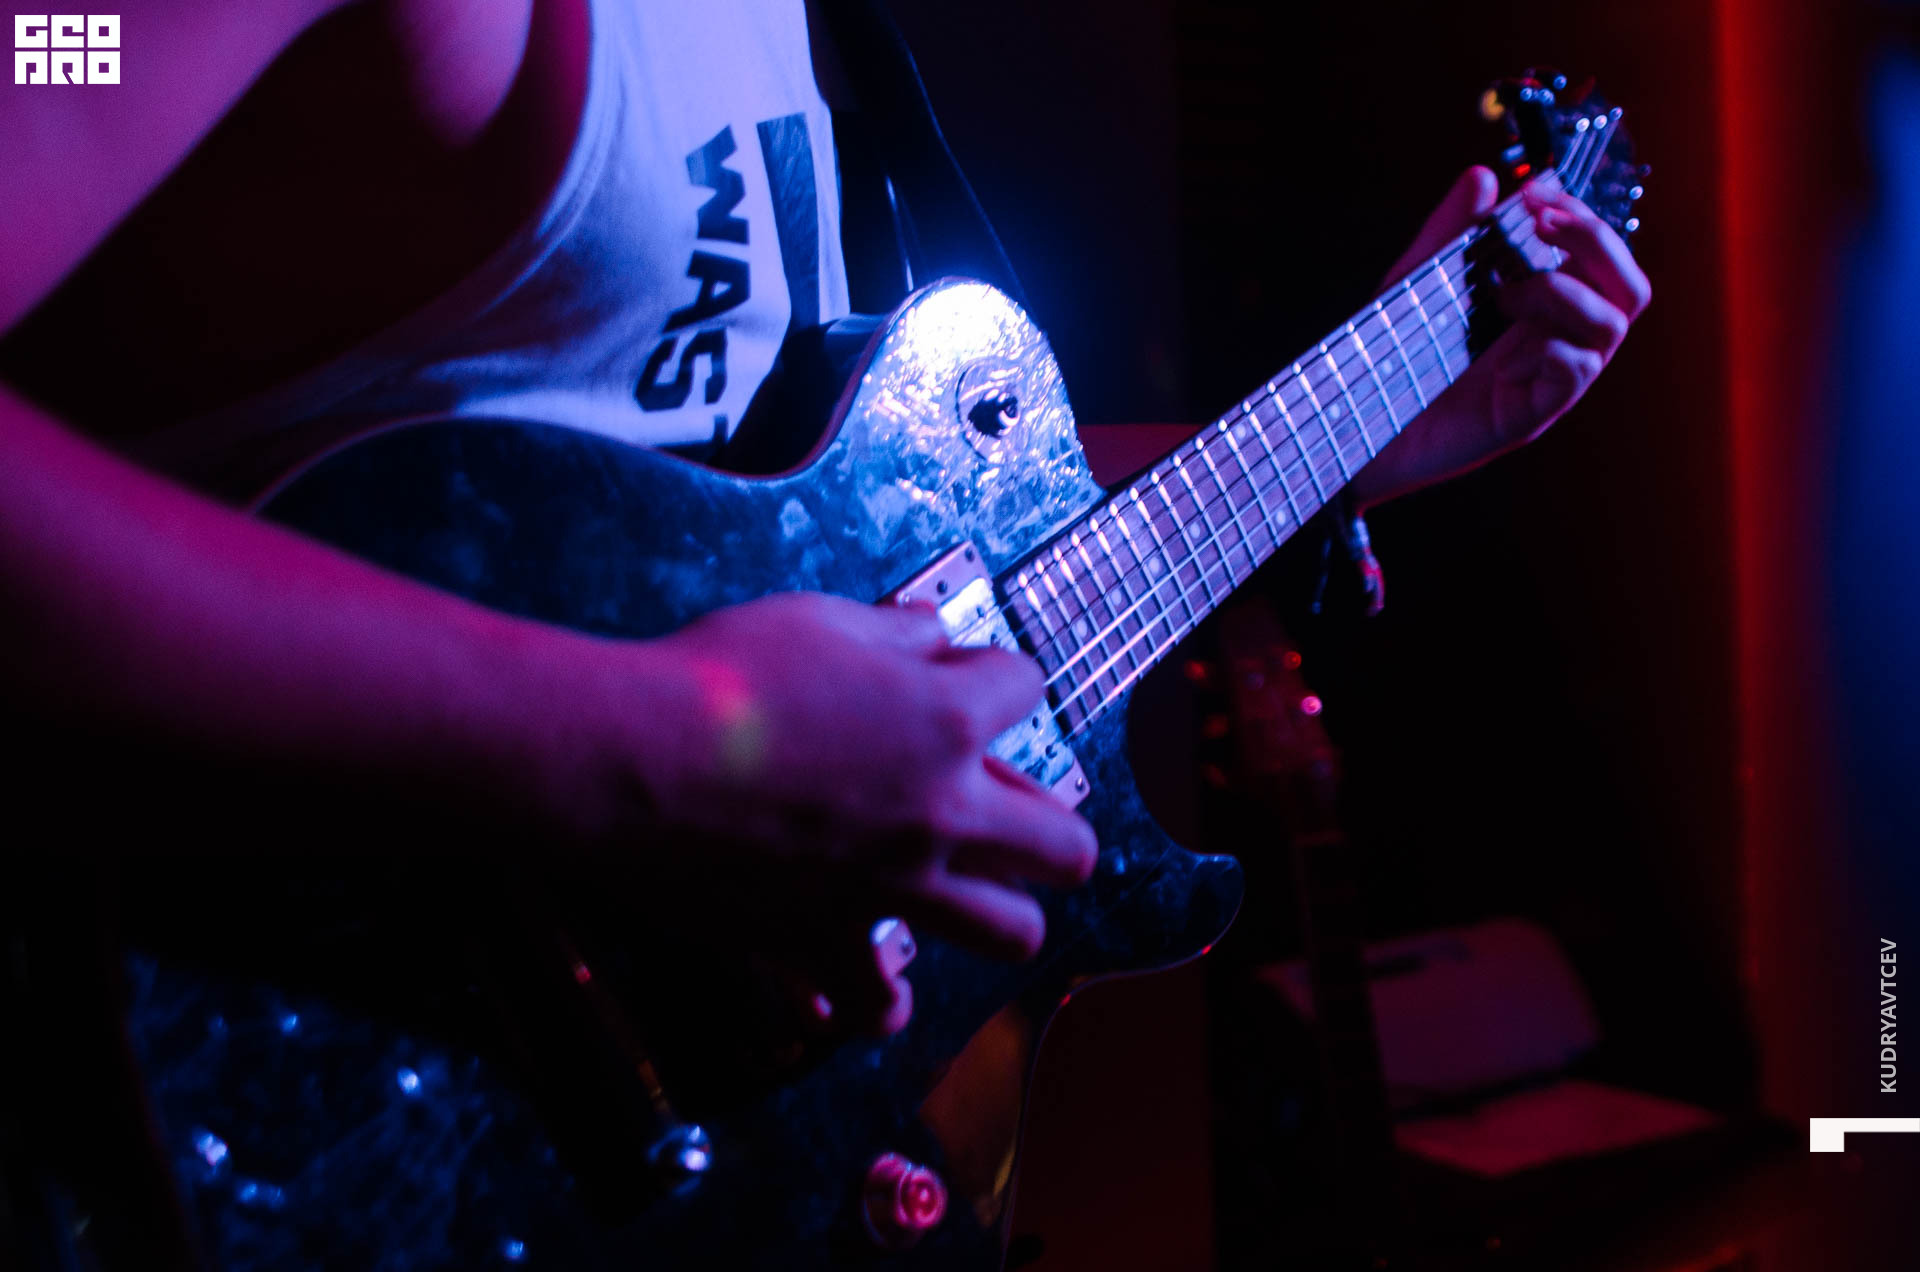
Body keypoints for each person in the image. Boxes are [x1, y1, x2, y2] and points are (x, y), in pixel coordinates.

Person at [0, 0, 1649, 1265]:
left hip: (607, 1141)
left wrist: (1355, 435)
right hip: (228, 1088)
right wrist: (654, 750)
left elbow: (851, 530)